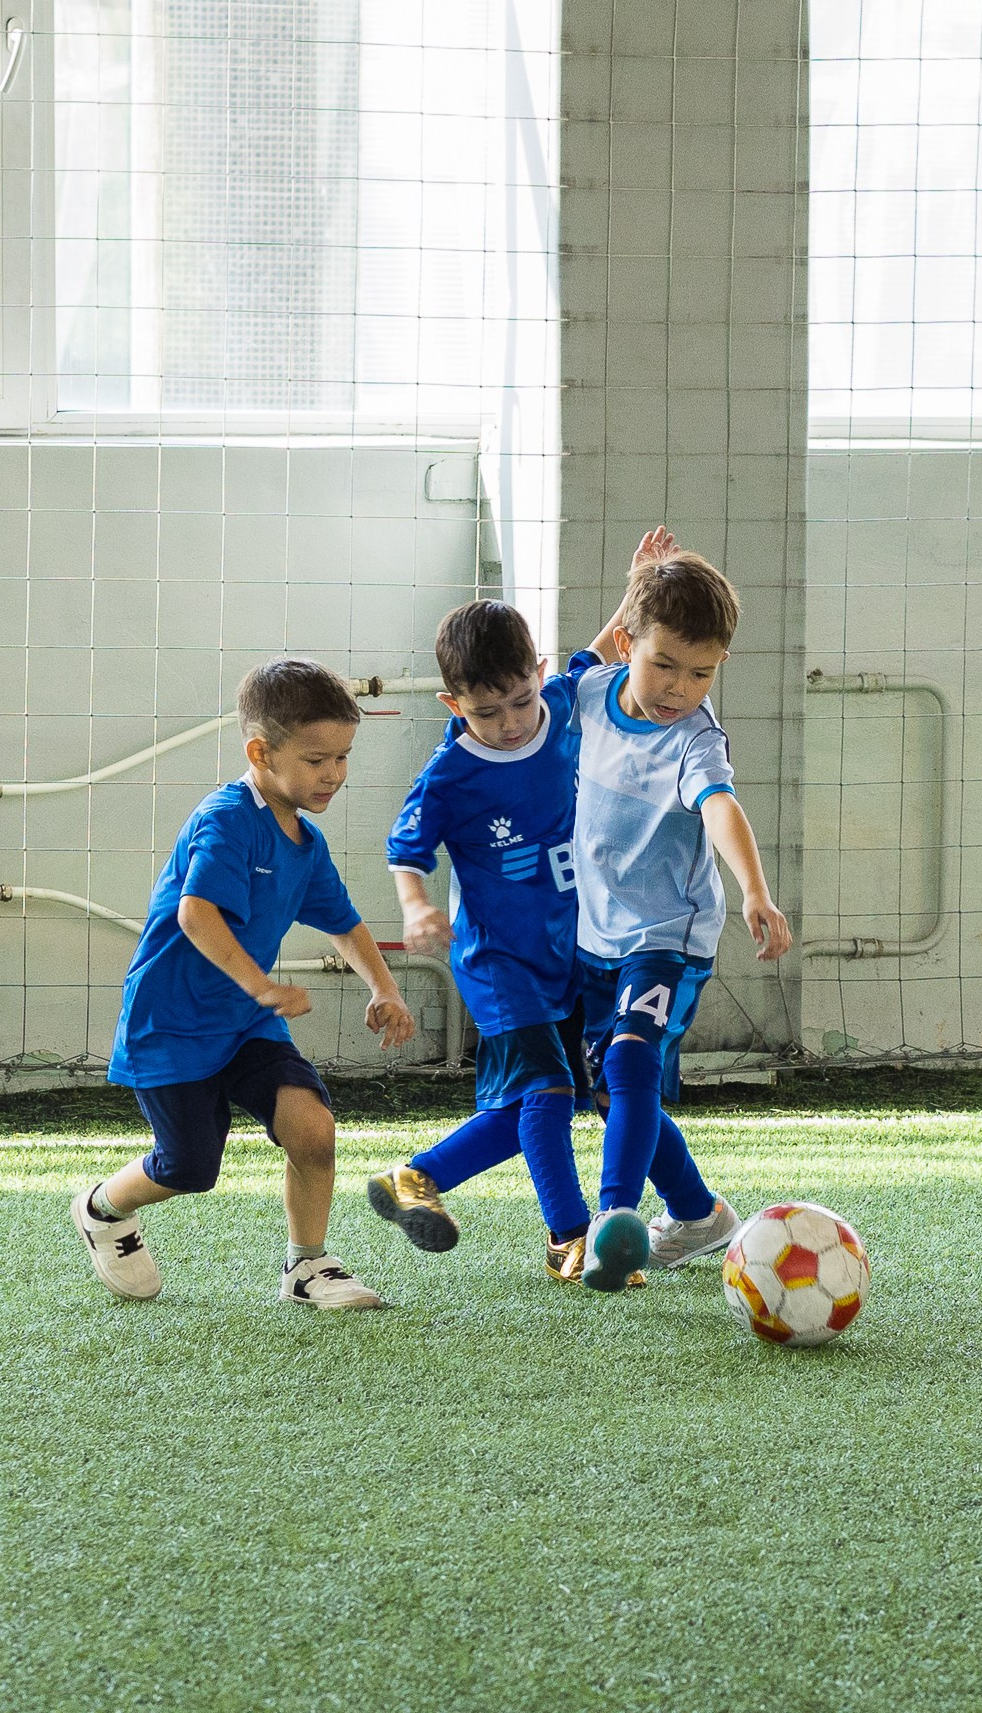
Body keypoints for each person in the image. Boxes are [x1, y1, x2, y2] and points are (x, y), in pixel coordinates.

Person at [367, 531, 674, 1284]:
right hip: (501, 961)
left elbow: (603, 649)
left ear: (538, 676)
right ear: (453, 704)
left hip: (571, 949)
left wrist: (638, 584)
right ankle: (572, 1239)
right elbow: (405, 848)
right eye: (487, 710)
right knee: (549, 1089)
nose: (509, 721)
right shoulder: (450, 776)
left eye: (519, 700)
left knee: (540, 1105)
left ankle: (412, 1179)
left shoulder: (562, 704)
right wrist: (414, 909)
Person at [71, 659, 415, 1310]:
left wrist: (385, 988)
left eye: (343, 757)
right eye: (318, 760)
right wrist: (262, 986)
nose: (335, 775)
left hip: (247, 1026)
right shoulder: (227, 820)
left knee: (313, 1129)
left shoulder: (305, 844)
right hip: (170, 1025)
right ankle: (101, 1208)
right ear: (261, 751)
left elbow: (344, 922)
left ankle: (307, 1267)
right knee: (189, 1168)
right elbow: (195, 914)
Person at [571, 551, 792, 1291]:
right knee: (608, 1088)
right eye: (665, 665)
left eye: (702, 673)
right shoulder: (589, 694)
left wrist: (755, 890)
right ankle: (699, 1216)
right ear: (629, 639)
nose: (679, 689)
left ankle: (613, 1223)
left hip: (671, 935)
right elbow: (569, 674)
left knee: (631, 1061)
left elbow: (721, 807)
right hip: (594, 934)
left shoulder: (696, 737)